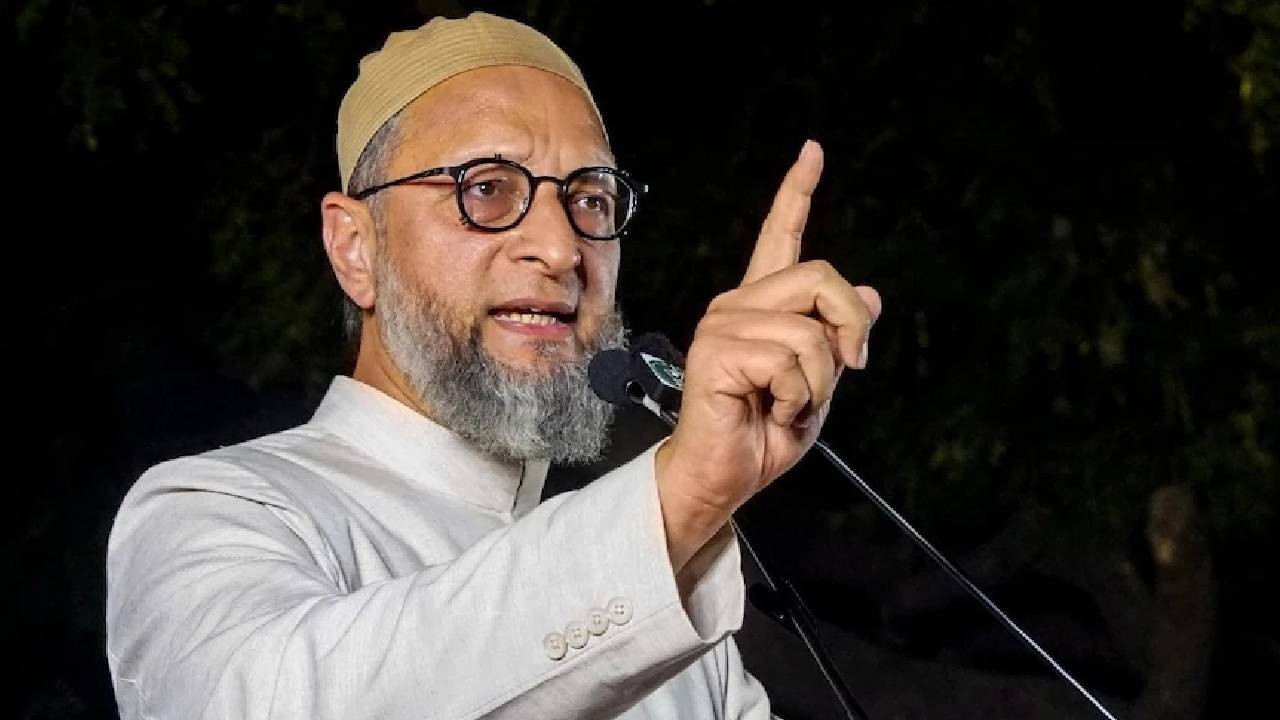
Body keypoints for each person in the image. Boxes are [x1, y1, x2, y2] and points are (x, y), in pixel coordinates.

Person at [106, 11, 881, 719]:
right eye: (485, 189)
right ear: (355, 248)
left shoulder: (676, 628)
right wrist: (680, 498)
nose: (559, 247)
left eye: (590, 199)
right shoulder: (220, 510)